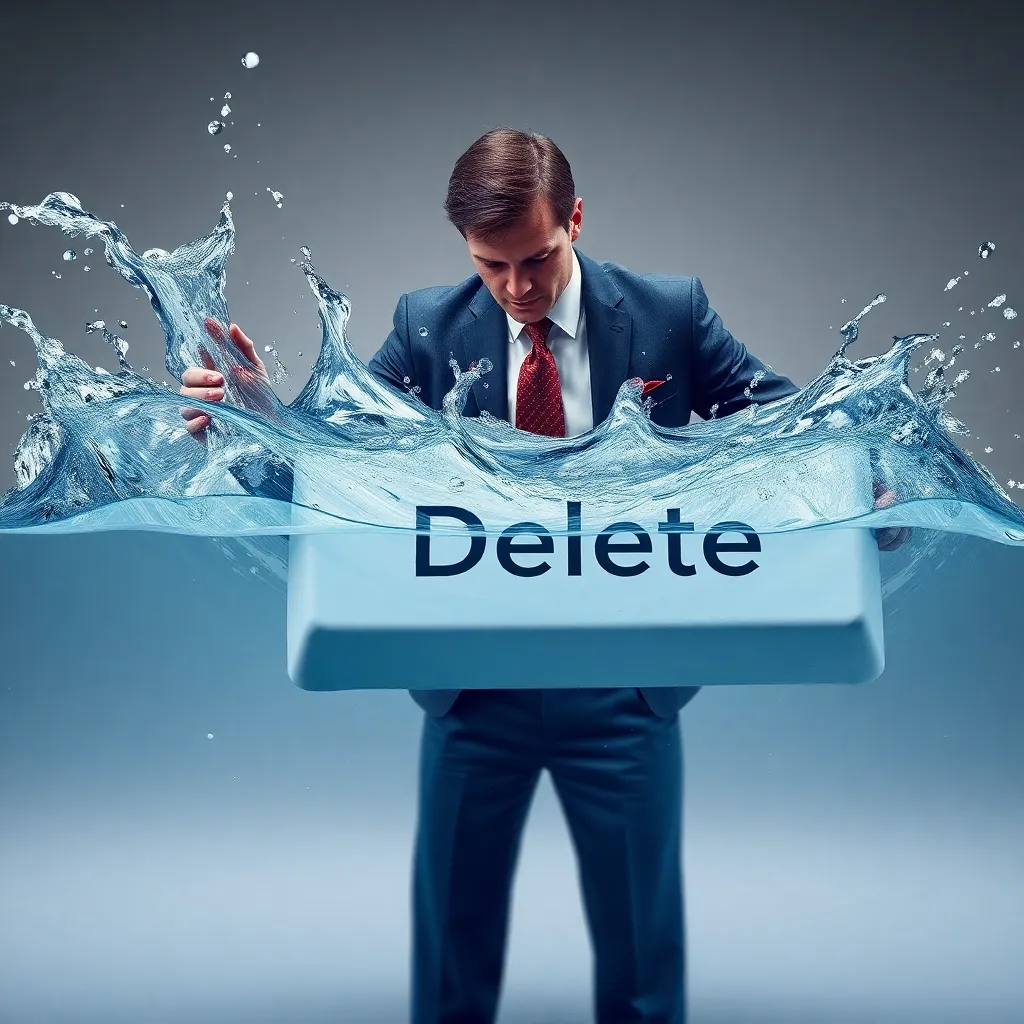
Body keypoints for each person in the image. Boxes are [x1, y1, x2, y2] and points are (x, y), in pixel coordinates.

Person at [179, 128, 910, 1024]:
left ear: (575, 219)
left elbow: (790, 428)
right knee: (450, 957)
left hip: (628, 689)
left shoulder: (671, 313)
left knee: (642, 960)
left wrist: (872, 490)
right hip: (471, 690)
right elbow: (337, 475)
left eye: (537, 259)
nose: (518, 288)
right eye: (491, 266)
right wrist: (259, 427)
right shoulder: (422, 329)